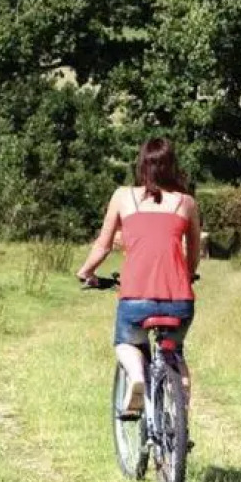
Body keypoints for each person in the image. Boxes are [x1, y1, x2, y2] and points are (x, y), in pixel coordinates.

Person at [77, 138, 203, 417]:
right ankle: (179, 417)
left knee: (125, 342)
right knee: (176, 353)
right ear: (173, 167)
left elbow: (103, 244)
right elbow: (194, 251)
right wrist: (189, 273)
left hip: (136, 296)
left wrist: (86, 272)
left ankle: (136, 376)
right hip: (179, 300)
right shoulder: (187, 203)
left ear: (141, 165)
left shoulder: (123, 196)